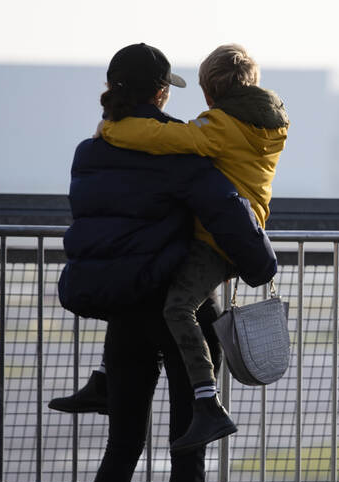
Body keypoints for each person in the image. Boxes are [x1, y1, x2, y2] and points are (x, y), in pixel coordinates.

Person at [58, 42, 277, 482]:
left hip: (125, 314)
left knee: (122, 444)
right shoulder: (181, 150)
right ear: (160, 92)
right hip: (181, 312)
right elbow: (226, 209)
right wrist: (260, 267)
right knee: (190, 445)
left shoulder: (90, 151)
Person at [97, 43, 288, 453]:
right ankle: (103, 380)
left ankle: (208, 401)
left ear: (210, 91)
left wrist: (113, 129)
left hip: (217, 237)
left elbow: (165, 136)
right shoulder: (265, 123)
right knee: (145, 273)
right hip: (233, 230)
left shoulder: (222, 126)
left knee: (176, 306)